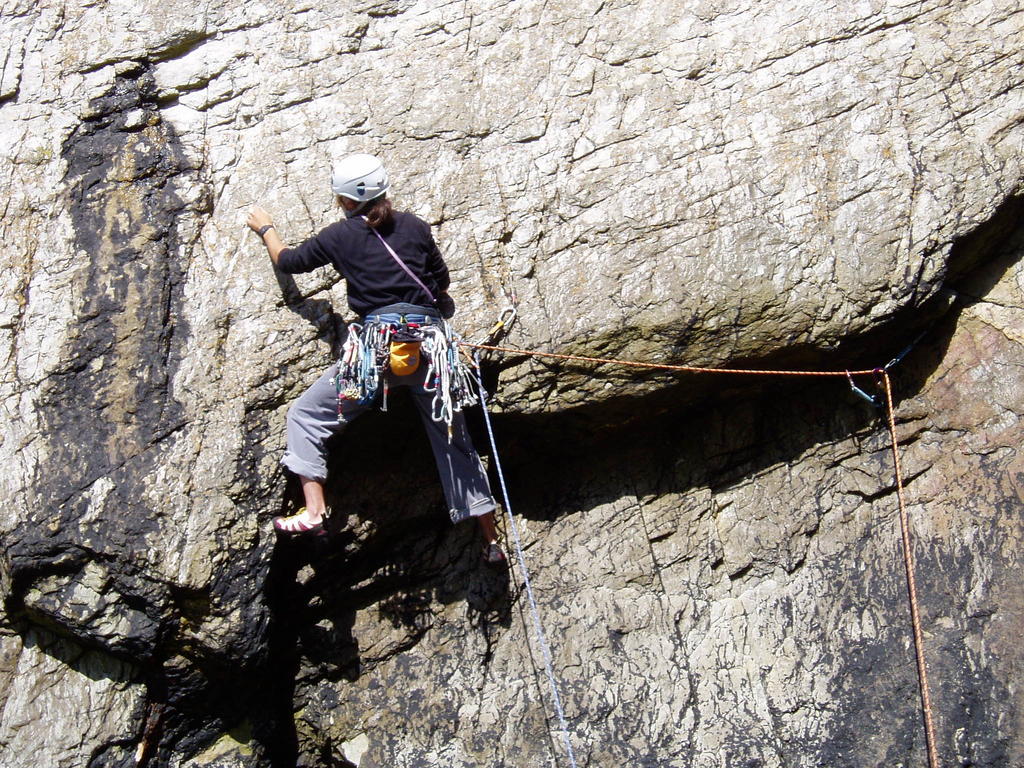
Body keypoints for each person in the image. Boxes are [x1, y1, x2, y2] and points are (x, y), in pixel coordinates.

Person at [247, 152, 505, 564]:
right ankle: (490, 539)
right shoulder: (415, 226)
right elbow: (441, 281)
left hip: (377, 354)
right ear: (383, 189)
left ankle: (314, 511)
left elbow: (289, 261)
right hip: (428, 351)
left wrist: (266, 229)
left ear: (343, 200)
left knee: (305, 415)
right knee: (455, 441)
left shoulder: (338, 236)